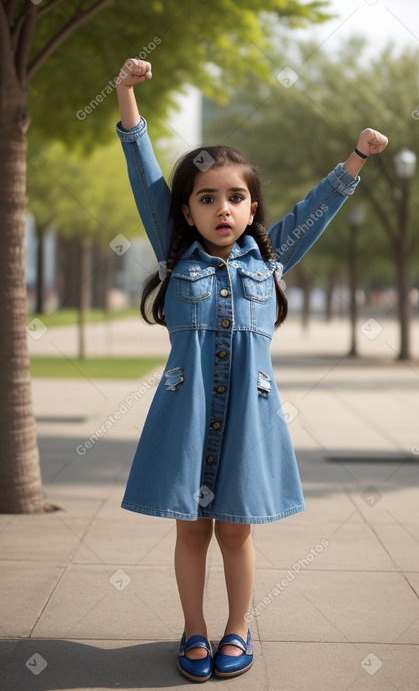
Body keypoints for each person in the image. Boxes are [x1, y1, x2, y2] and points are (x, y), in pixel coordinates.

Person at [115, 58, 388, 683]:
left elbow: (318, 208)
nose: (222, 208)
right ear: (186, 212)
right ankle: (194, 631)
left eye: (235, 197)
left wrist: (357, 157)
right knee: (192, 533)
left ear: (251, 205)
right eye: (206, 198)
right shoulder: (174, 249)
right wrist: (127, 95)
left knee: (236, 534)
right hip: (186, 414)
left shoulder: (270, 257)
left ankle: (236, 631)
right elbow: (144, 173)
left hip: (251, 419)